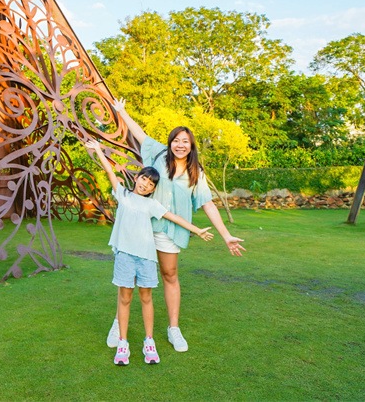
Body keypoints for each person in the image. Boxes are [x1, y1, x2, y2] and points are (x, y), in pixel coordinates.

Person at [106, 98, 246, 353]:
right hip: (141, 227)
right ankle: (118, 323)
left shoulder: (196, 172)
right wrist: (122, 111)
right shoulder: (158, 153)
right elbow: (139, 134)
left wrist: (226, 235)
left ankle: (173, 329)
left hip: (169, 230)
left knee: (169, 275)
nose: (180, 145)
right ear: (170, 143)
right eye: (176, 140)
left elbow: (208, 204)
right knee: (127, 278)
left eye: (185, 141)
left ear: (191, 146)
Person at [84, 140, 213, 366]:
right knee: (125, 298)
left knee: (146, 297)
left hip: (146, 259)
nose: (145, 184)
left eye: (151, 183)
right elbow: (108, 171)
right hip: (124, 257)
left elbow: (175, 218)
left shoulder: (151, 205)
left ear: (153, 189)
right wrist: (97, 150)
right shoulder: (122, 194)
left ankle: (149, 341)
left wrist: (197, 230)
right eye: (143, 178)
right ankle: (123, 343)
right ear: (136, 178)